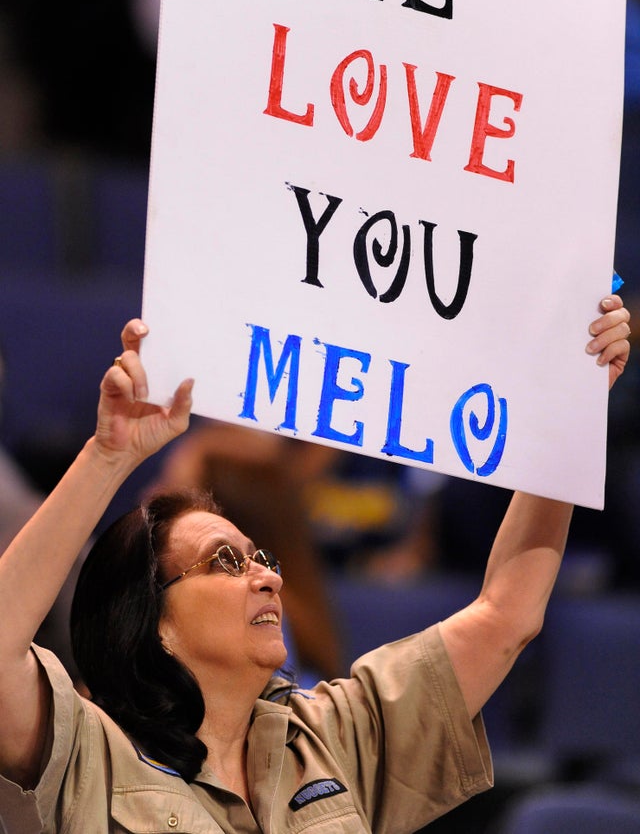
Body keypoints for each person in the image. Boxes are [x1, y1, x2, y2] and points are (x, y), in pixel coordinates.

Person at [0, 295, 631, 833]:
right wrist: (109, 457)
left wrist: (568, 415)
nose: (268, 576)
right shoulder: (89, 753)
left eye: (262, 557)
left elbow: (507, 612)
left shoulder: (334, 735)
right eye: (224, 561)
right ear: (153, 620)